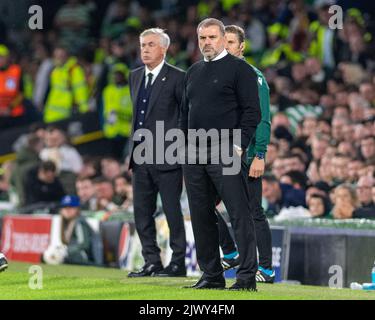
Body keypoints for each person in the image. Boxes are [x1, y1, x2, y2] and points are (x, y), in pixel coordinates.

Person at [179, 18, 261, 291]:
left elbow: (253, 112)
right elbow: (184, 114)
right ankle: (211, 276)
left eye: (212, 37)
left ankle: (247, 277)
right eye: (202, 38)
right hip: (194, 153)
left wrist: (238, 146)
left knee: (239, 213)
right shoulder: (192, 71)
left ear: (224, 39)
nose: (207, 43)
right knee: (201, 215)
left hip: (225, 149)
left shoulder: (241, 70)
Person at [216, 24, 274, 284]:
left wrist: (259, 154)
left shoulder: (253, 76)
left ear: (241, 47)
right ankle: (230, 251)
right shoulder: (217, 74)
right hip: (221, 153)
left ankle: (267, 269)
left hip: (247, 154)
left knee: (253, 211)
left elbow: (262, 118)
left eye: (230, 42)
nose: (225, 47)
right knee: (204, 204)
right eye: (223, 42)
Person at [127, 28, 187, 278]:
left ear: (163, 49)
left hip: (168, 157)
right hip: (140, 157)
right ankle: (151, 260)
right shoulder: (134, 76)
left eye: (151, 44)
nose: (145, 49)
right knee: (142, 212)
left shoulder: (178, 78)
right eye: (142, 45)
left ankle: (178, 262)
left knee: (173, 211)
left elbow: (185, 117)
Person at [43, 195, 94, 265]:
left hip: (83, 256)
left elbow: (84, 244)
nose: (67, 210)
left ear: (77, 209)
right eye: (64, 207)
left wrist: (66, 251)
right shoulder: (66, 222)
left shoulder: (79, 222)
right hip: (71, 254)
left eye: (71, 207)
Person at [43, 46, 89, 123]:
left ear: (66, 56)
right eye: (56, 56)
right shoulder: (55, 71)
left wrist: (84, 108)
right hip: (51, 114)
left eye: (61, 56)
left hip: (66, 114)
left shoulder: (73, 70)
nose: (58, 58)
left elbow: (80, 89)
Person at [0, 44, 26, 129]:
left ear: (7, 57)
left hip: (15, 114)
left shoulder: (16, 70)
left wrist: (9, 108)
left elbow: (21, 93)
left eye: (1, 57)